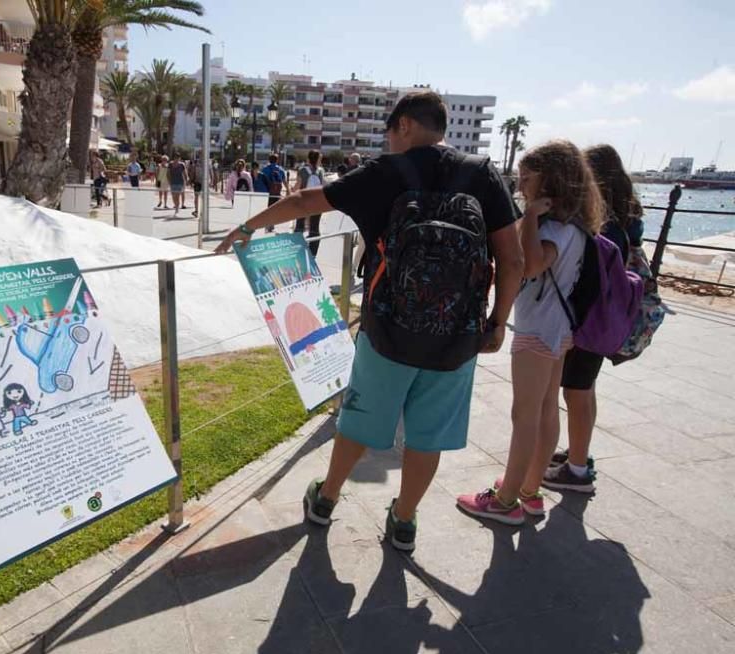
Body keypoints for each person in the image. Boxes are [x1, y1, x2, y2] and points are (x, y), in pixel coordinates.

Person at [215, 91, 523, 552]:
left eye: (388, 131)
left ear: (403, 125)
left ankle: (325, 500)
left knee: (359, 420)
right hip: (457, 336)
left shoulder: (386, 172)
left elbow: (304, 202)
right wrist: (497, 323)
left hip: (388, 330)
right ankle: (403, 521)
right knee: (427, 433)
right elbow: (512, 258)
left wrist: (247, 227)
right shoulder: (481, 174)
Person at [457, 140, 603, 525]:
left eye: (527, 178)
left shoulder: (554, 226)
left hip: (538, 330)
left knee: (525, 415)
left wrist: (534, 219)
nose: (521, 185)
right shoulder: (575, 223)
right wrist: (528, 217)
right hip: (560, 327)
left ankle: (506, 501)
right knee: (543, 410)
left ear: (549, 179)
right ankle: (529, 490)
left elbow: (532, 265)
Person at [544, 144, 645, 493]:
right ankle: (578, 452)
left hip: (589, 320)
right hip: (604, 318)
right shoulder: (626, 220)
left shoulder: (606, 225)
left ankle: (576, 469)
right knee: (584, 390)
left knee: (577, 390)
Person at [295, 150, 327, 255]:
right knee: (314, 227)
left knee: (299, 226)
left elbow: (297, 187)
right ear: (318, 160)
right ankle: (313, 253)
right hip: (317, 203)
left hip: (303, 202)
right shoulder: (321, 171)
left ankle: (298, 250)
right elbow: (323, 186)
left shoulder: (302, 170)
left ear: (308, 159)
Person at [261, 154, 288, 232]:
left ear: (269, 160)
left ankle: (267, 224)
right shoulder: (280, 169)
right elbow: (284, 181)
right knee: (274, 208)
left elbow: (261, 180)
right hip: (277, 193)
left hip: (267, 192)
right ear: (277, 160)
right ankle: (271, 224)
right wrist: (288, 190)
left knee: (267, 208)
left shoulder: (265, 169)